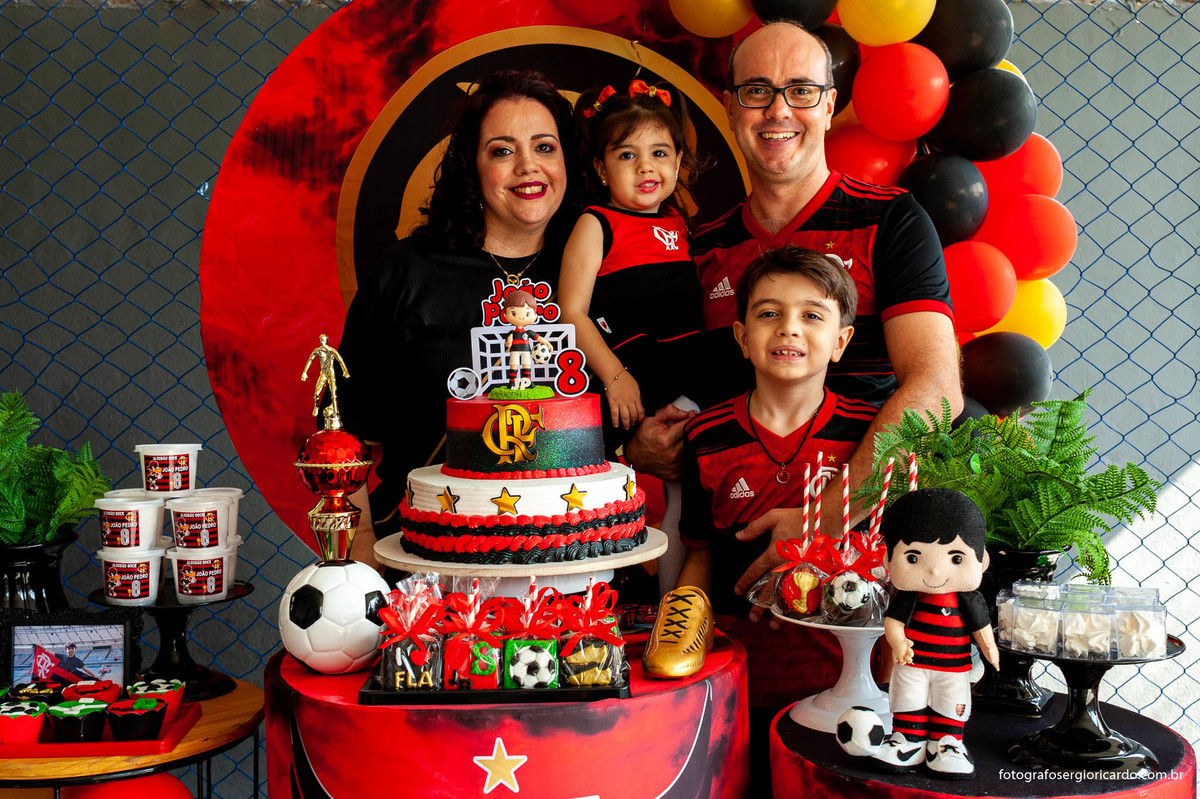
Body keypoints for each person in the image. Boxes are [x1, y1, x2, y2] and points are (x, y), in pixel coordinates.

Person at [629, 20, 962, 599]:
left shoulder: (892, 220)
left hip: (863, 564)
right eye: (757, 90)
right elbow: (677, 389)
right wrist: (640, 446)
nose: (778, 110)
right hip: (727, 562)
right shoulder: (700, 244)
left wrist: (823, 518)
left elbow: (937, 391)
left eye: (801, 91)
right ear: (730, 107)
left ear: (829, 106)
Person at [338, 70, 578, 555]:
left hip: (577, 547)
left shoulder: (600, 268)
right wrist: (361, 549)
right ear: (472, 165)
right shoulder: (408, 272)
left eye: (545, 147)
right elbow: (343, 427)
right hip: (424, 550)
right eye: (502, 151)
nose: (528, 166)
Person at [671, 246, 877, 768]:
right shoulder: (705, 435)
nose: (788, 328)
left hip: (845, 681)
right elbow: (699, 554)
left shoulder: (871, 436)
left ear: (841, 342)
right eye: (769, 313)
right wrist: (681, 646)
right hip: (735, 677)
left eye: (812, 316)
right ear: (742, 337)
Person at [558, 79, 705, 434]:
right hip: (631, 378)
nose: (645, 166)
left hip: (686, 373)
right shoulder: (596, 223)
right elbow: (571, 313)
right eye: (627, 155)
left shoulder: (676, 224)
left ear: (678, 162)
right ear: (601, 169)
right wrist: (616, 377)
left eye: (659, 153)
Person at [876, 488, 999, 778]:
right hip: (912, 664)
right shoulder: (908, 597)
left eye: (956, 559)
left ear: (982, 561)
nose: (933, 572)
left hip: (954, 668)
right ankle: (908, 739)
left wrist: (990, 650)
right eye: (913, 558)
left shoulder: (968, 599)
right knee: (908, 698)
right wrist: (898, 642)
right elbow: (893, 623)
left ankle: (948, 743)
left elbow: (981, 628)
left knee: (951, 701)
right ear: (888, 560)